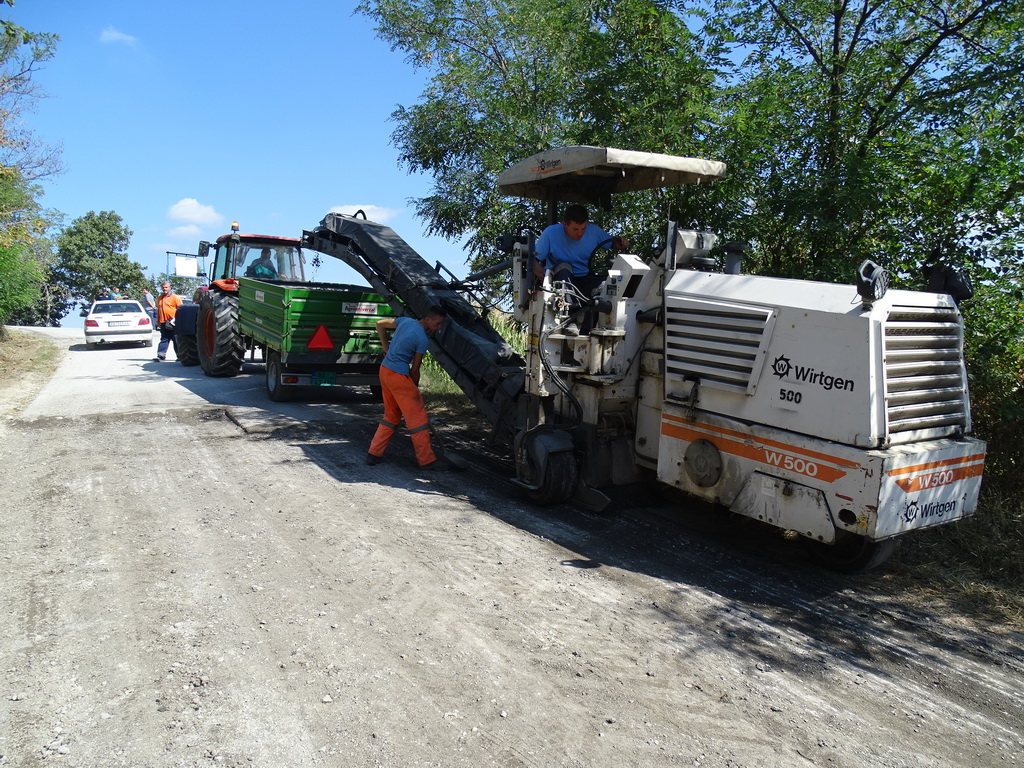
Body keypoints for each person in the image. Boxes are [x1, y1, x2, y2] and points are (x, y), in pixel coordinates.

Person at [366, 306, 453, 471]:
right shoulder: (422, 338)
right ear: (428, 319)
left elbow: (379, 324)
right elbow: (415, 369)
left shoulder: (405, 321)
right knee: (418, 418)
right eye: (438, 323)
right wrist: (414, 388)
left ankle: (373, 454)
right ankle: (426, 461)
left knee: (391, 415)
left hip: (384, 371)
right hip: (399, 376)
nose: (439, 327)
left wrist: (386, 349)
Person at [533, 204, 629, 334]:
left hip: (585, 279)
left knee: (603, 288)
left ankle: (587, 330)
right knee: (564, 266)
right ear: (564, 224)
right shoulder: (550, 234)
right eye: (575, 229)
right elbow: (533, 261)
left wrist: (620, 242)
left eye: (583, 229)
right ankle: (568, 321)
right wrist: (542, 273)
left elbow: (613, 243)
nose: (580, 234)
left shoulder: (594, 232)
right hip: (561, 281)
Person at [154, 282, 183, 362]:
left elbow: (180, 309)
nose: (164, 289)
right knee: (164, 339)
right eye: (163, 287)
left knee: (176, 339)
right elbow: (159, 310)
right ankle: (161, 356)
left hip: (173, 322)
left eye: (166, 287)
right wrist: (158, 321)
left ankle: (180, 356)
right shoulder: (160, 298)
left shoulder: (175, 297)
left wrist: (177, 319)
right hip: (163, 322)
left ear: (169, 288)